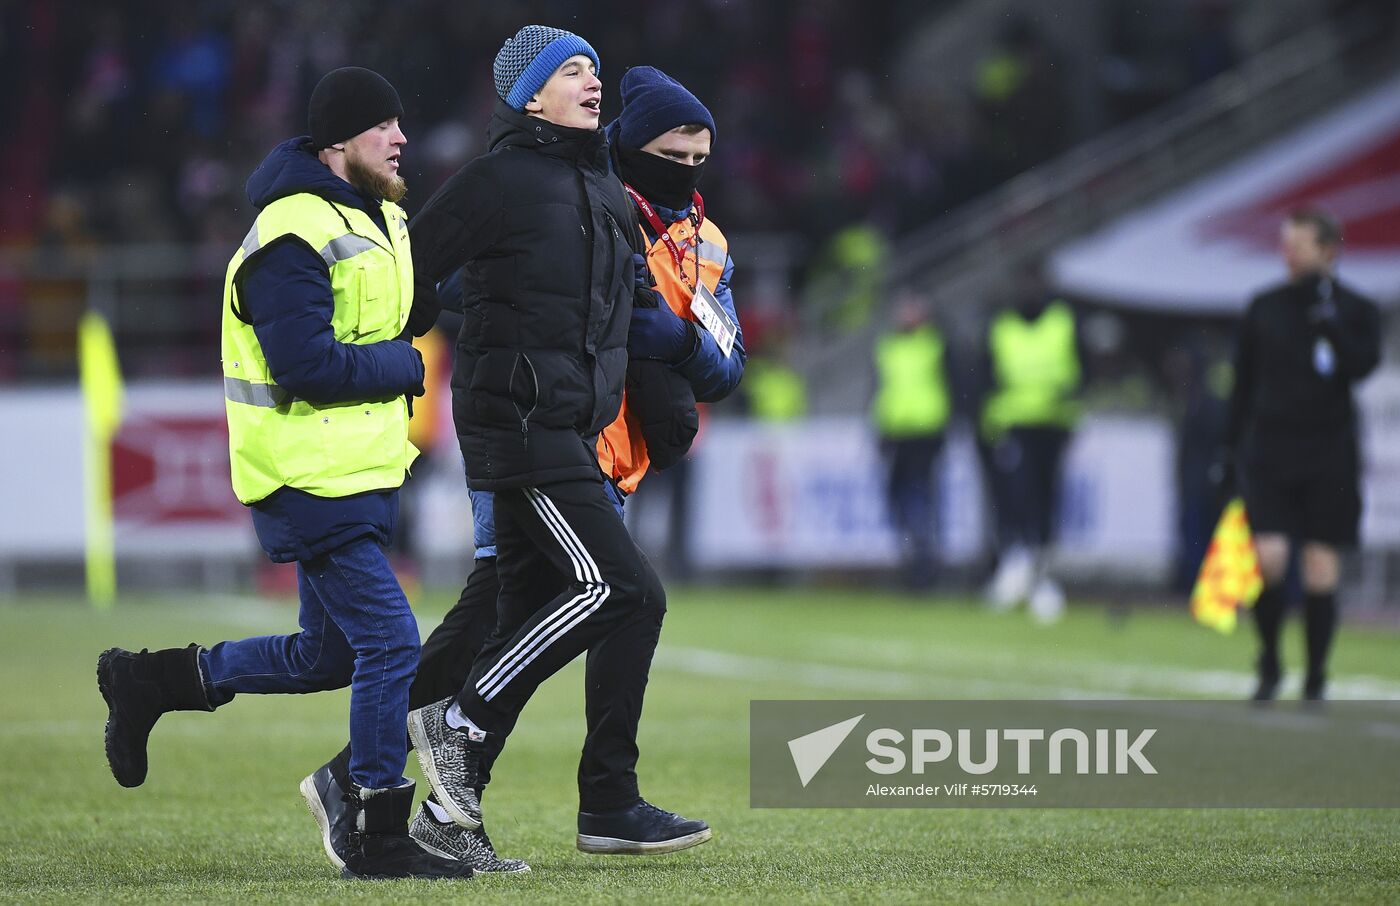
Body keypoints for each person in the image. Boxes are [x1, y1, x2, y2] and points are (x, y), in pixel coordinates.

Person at [95, 68, 469, 881]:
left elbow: (416, 309)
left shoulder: (380, 219)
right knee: (391, 641)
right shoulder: (289, 234)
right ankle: (372, 825)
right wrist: (407, 366)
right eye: (383, 126)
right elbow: (305, 366)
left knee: (323, 657)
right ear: (338, 143)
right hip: (305, 479)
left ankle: (149, 680)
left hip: (361, 474)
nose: (401, 137)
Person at [406, 27, 711, 858]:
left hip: (568, 435)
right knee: (625, 591)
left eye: (595, 69)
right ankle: (460, 725)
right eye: (571, 70)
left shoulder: (606, 194)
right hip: (522, 431)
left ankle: (436, 823)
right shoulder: (494, 181)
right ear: (530, 96)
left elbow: (637, 324)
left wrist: (671, 401)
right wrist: (396, 356)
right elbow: (412, 275)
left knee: (514, 618)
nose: (591, 81)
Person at [1220, 208, 1380, 702]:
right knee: (1268, 556)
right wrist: (1229, 448)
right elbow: (1243, 384)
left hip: (1328, 450)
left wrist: (1328, 322)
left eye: (1298, 246)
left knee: (1318, 563)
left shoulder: (1357, 309)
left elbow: (1361, 366)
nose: (1287, 254)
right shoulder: (1264, 306)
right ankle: (1269, 660)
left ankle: (1315, 675)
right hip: (1271, 447)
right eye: (1285, 245)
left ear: (1328, 251)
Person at [978, 273, 1082, 622]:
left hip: (1052, 425)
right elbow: (987, 377)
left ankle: (1040, 576)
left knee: (1047, 502)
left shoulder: (1062, 323)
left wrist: (1070, 420)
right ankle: (1017, 568)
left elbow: (1077, 374)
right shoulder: (1002, 327)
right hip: (1014, 425)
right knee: (1017, 499)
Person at [871, 292, 952, 589]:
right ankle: (914, 557)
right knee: (898, 501)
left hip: (926, 433)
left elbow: (950, 385)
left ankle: (926, 563)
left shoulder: (936, 343)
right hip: (896, 434)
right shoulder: (887, 346)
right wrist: (879, 430)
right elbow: (881, 391)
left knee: (923, 500)